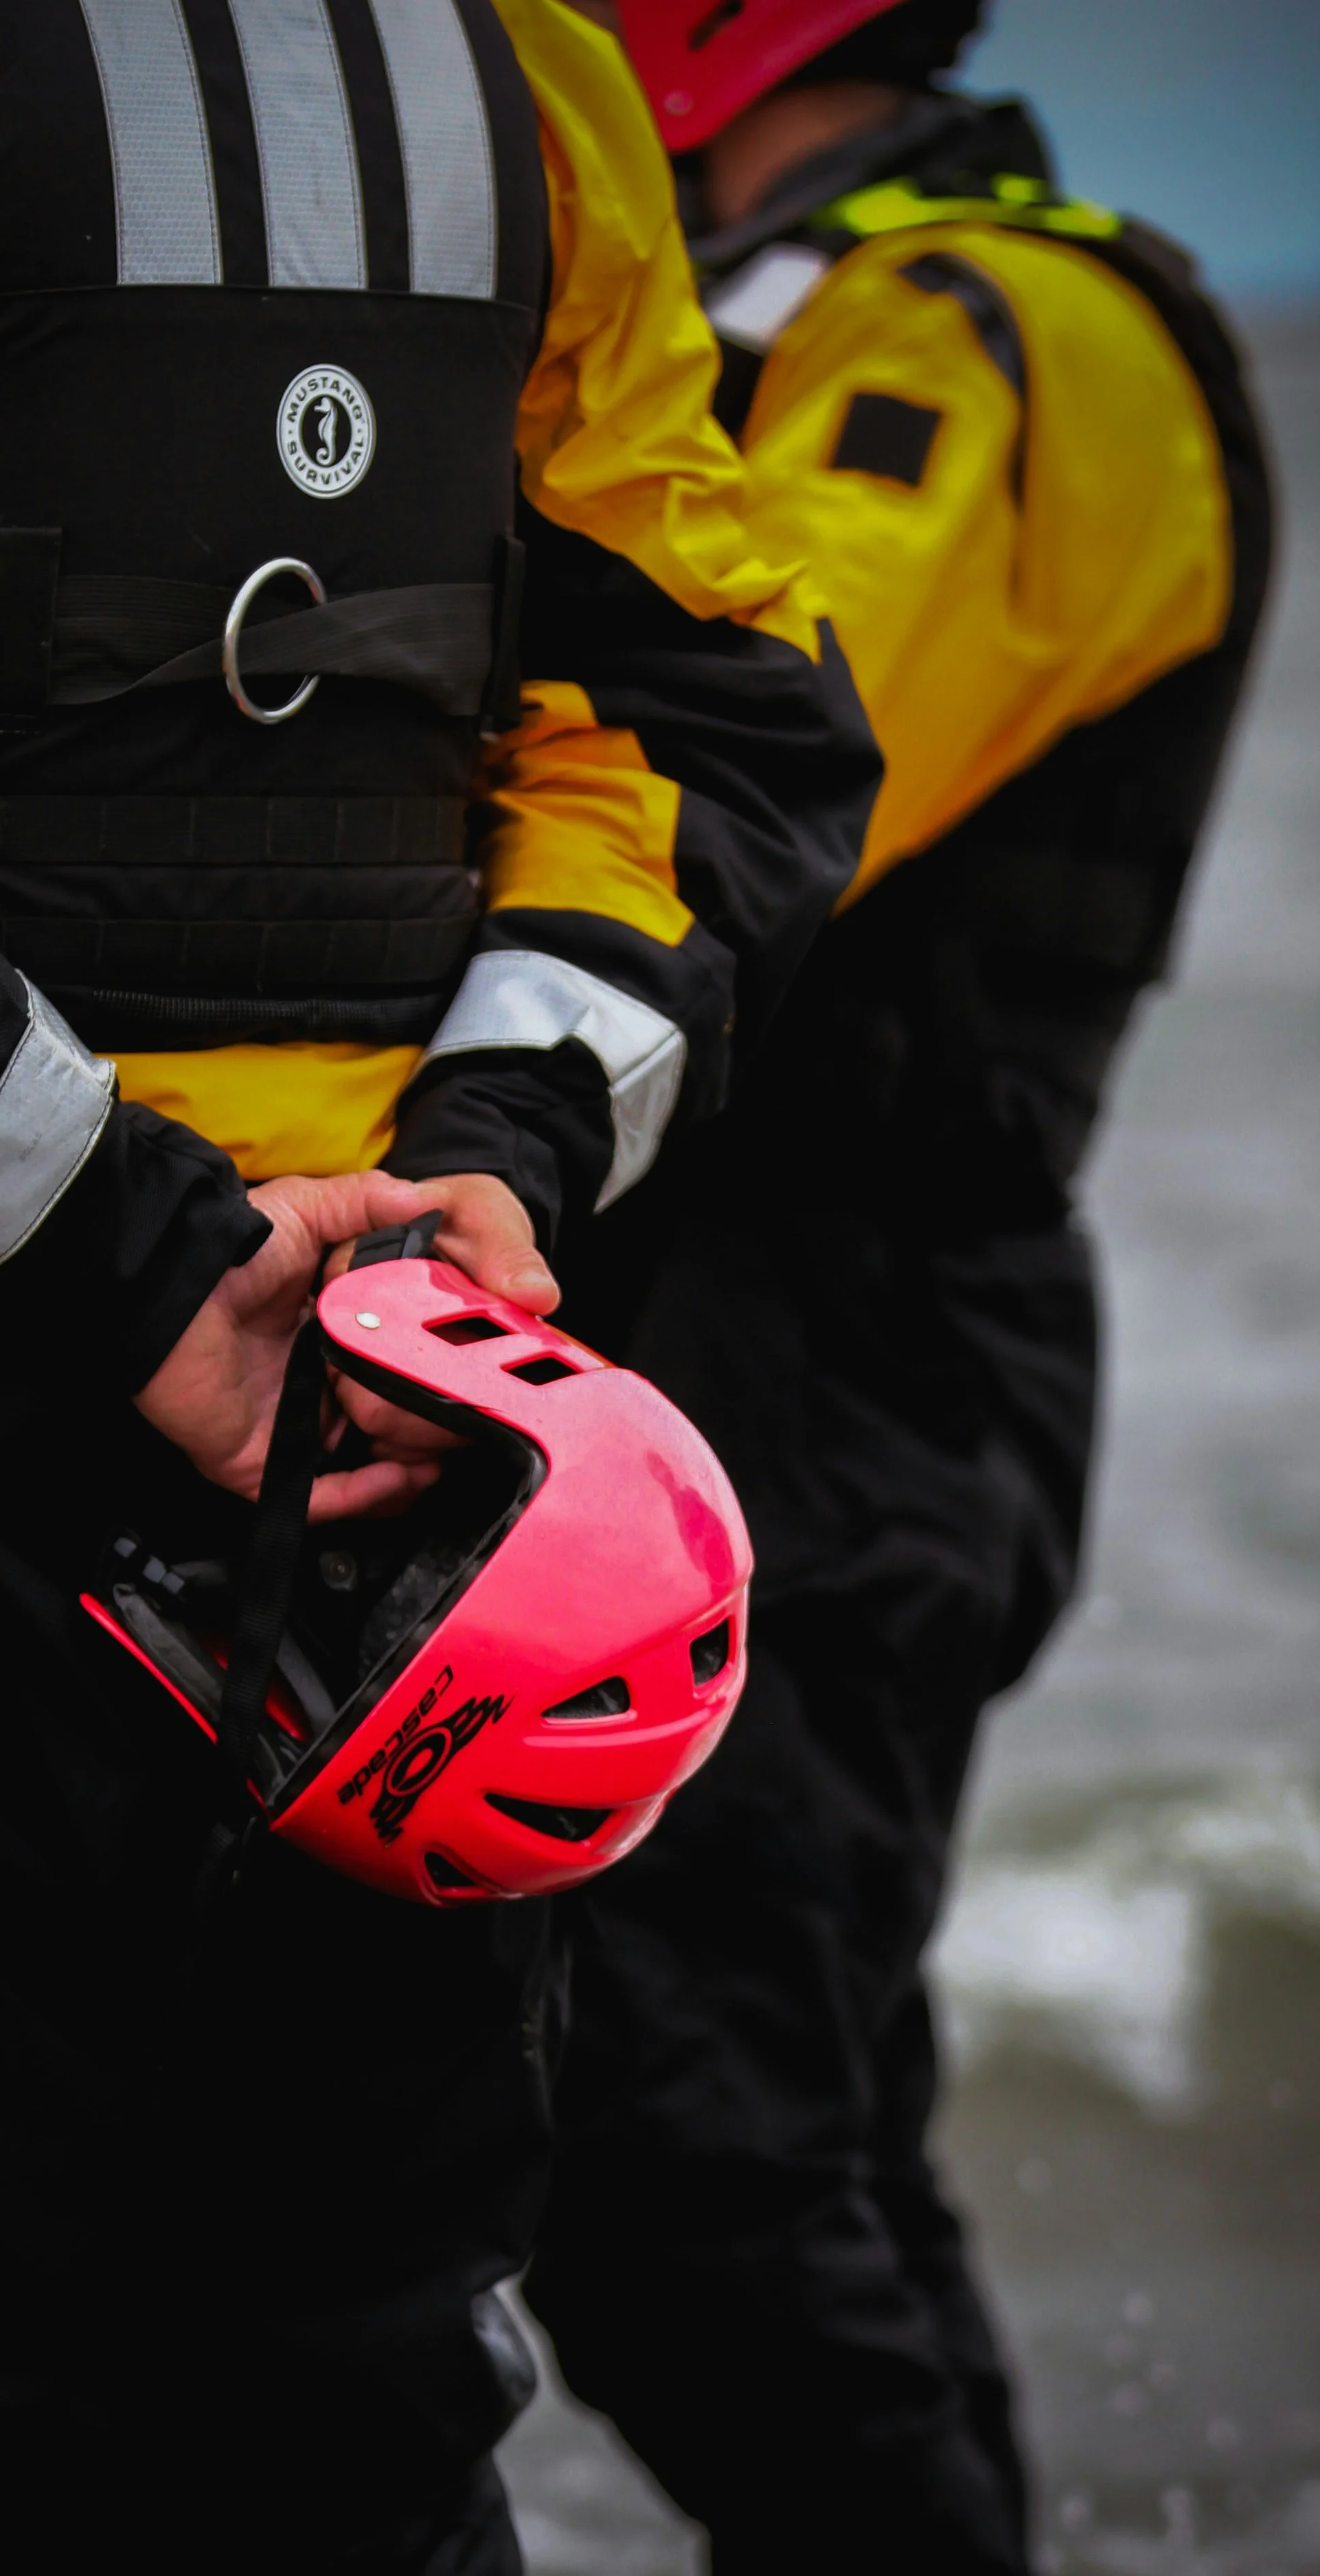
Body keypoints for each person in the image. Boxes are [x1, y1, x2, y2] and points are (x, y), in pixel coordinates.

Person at [0, 1, 879, 2564]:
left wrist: (233, 1223)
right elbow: (729, 711)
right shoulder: (524, 60)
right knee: (338, 2414)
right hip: (371, 1439)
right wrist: (483, 1167)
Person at [527, 5, 1273, 2569]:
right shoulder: (739, 299)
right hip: (702, 1330)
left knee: (678, 2142)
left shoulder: (1000, 320)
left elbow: (755, 771)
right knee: (763, 2125)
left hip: (840, 1355)